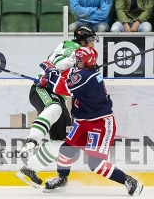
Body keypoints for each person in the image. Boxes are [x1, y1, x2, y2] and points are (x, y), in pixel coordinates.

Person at [38, 47, 143, 196]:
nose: (77, 62)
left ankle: (128, 180)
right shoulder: (83, 72)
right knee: (65, 149)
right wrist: (49, 79)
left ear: (86, 62)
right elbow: (69, 75)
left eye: (80, 61)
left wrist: (50, 71)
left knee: (95, 163)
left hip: (99, 123)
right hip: (82, 121)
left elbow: (61, 88)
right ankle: (62, 178)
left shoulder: (88, 77)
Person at [15, 27, 99, 188]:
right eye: (91, 41)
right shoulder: (73, 48)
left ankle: (29, 169)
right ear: (83, 41)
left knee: (61, 141)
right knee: (54, 107)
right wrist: (74, 63)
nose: (93, 44)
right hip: (43, 89)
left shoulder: (83, 55)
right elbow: (61, 61)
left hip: (57, 93)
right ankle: (32, 139)